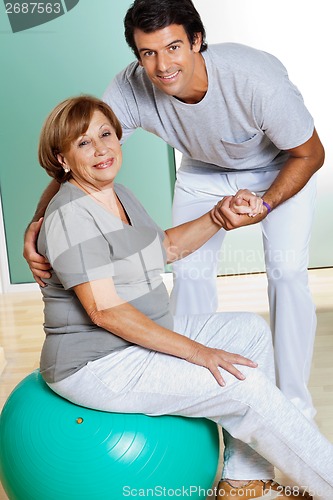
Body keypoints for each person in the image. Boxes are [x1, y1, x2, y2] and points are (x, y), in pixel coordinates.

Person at [23, 0, 325, 422]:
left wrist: (268, 202)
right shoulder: (130, 88)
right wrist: (40, 223)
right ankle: (198, 387)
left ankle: (294, 408)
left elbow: (310, 154)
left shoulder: (255, 81)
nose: (162, 65)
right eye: (148, 52)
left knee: (288, 272)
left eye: (174, 47)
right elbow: (80, 155)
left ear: (197, 40)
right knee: (189, 272)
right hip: (203, 170)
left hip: (280, 166)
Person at [34, 95, 333, 499]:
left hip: (139, 338)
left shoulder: (119, 195)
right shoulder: (70, 213)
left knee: (249, 332)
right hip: (99, 363)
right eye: (84, 142)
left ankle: (243, 480)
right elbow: (104, 311)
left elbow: (167, 249)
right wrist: (197, 352)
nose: (102, 147)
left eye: (106, 134)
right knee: (242, 385)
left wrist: (217, 215)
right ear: (64, 159)